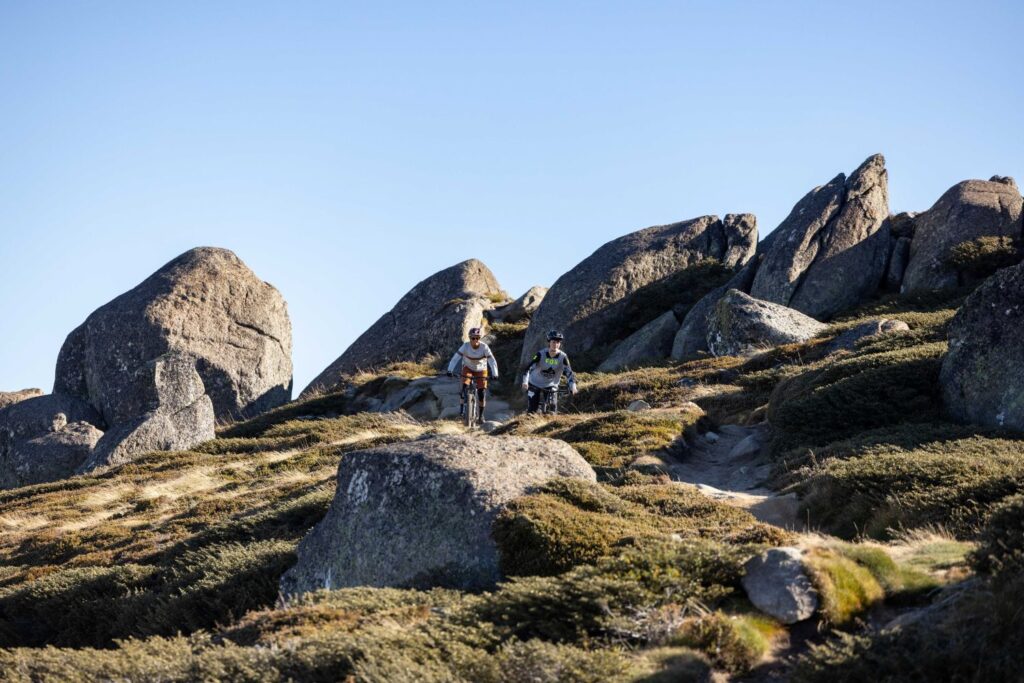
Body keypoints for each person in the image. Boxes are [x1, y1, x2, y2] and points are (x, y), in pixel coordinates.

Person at [447, 327, 499, 424]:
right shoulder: (465, 346)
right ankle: (462, 412)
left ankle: (481, 416)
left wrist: (495, 373)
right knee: (463, 387)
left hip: (481, 369)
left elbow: (492, 360)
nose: (475, 340)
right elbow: (455, 358)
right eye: (473, 338)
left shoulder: (484, 347)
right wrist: (450, 370)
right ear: (469, 338)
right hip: (468, 368)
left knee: (481, 392)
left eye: (477, 338)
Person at [521, 330, 577, 414]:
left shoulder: (563, 357)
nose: (555, 345)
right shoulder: (540, 354)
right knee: (532, 410)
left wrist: (573, 386)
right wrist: (525, 382)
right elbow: (528, 369)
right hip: (534, 383)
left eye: (558, 342)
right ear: (549, 343)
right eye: (553, 342)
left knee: (552, 408)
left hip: (551, 385)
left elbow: (569, 373)